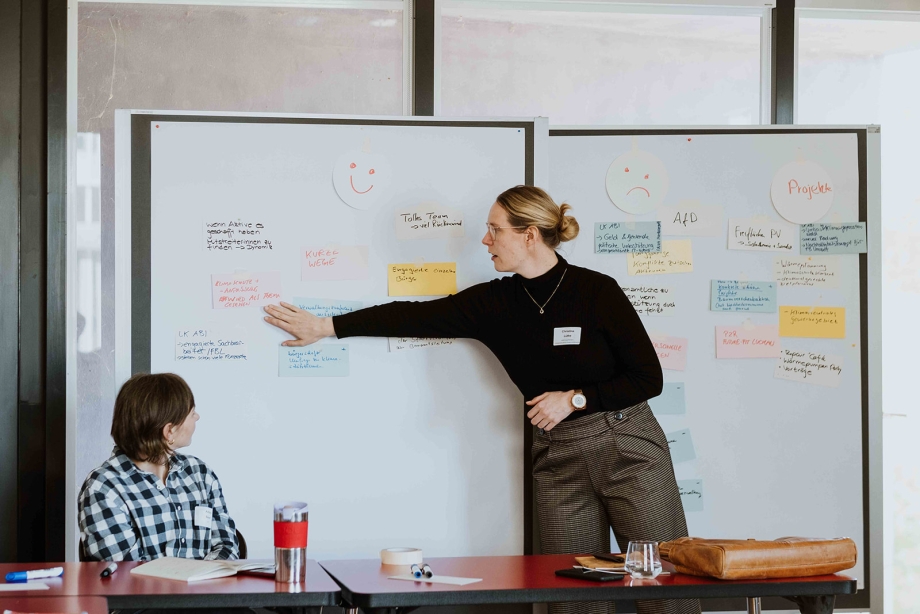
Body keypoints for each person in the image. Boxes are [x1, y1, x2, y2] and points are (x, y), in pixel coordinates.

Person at [264, 185, 699, 614]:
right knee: (575, 598)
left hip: (626, 447)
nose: (485, 240)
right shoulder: (496, 303)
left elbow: (648, 378)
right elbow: (413, 315)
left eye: (495, 230)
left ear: (529, 235)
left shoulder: (596, 291)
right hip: (557, 458)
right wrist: (325, 327)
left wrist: (575, 399)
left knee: (662, 585)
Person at [79, 372, 239, 562]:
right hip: (143, 584)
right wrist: (182, 578)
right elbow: (122, 570)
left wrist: (201, 577)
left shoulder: (200, 474)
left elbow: (227, 546)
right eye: (191, 413)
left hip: (206, 582)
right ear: (169, 431)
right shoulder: (104, 488)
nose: (197, 417)